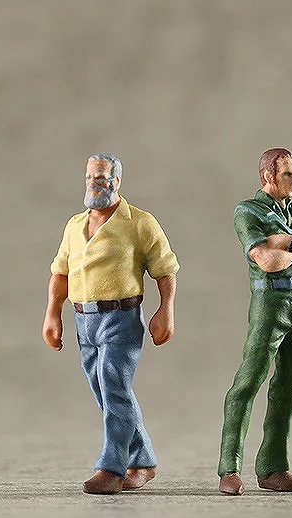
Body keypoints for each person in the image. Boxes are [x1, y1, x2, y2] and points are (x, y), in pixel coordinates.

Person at [42, 153, 179, 495]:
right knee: (106, 392)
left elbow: (165, 269)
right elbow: (60, 273)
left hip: (121, 318)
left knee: (114, 386)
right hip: (83, 320)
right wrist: (52, 314)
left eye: (102, 178)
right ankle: (143, 460)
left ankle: (111, 467)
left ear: (116, 181)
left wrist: (166, 310)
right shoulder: (75, 225)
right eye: (90, 177)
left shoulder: (139, 222)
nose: (94, 184)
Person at [218, 148, 292, 496]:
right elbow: (267, 261)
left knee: (288, 387)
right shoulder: (248, 211)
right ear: (268, 176)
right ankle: (229, 467)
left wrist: (288, 242)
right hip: (270, 302)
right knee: (249, 381)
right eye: (287, 174)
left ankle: (273, 466)